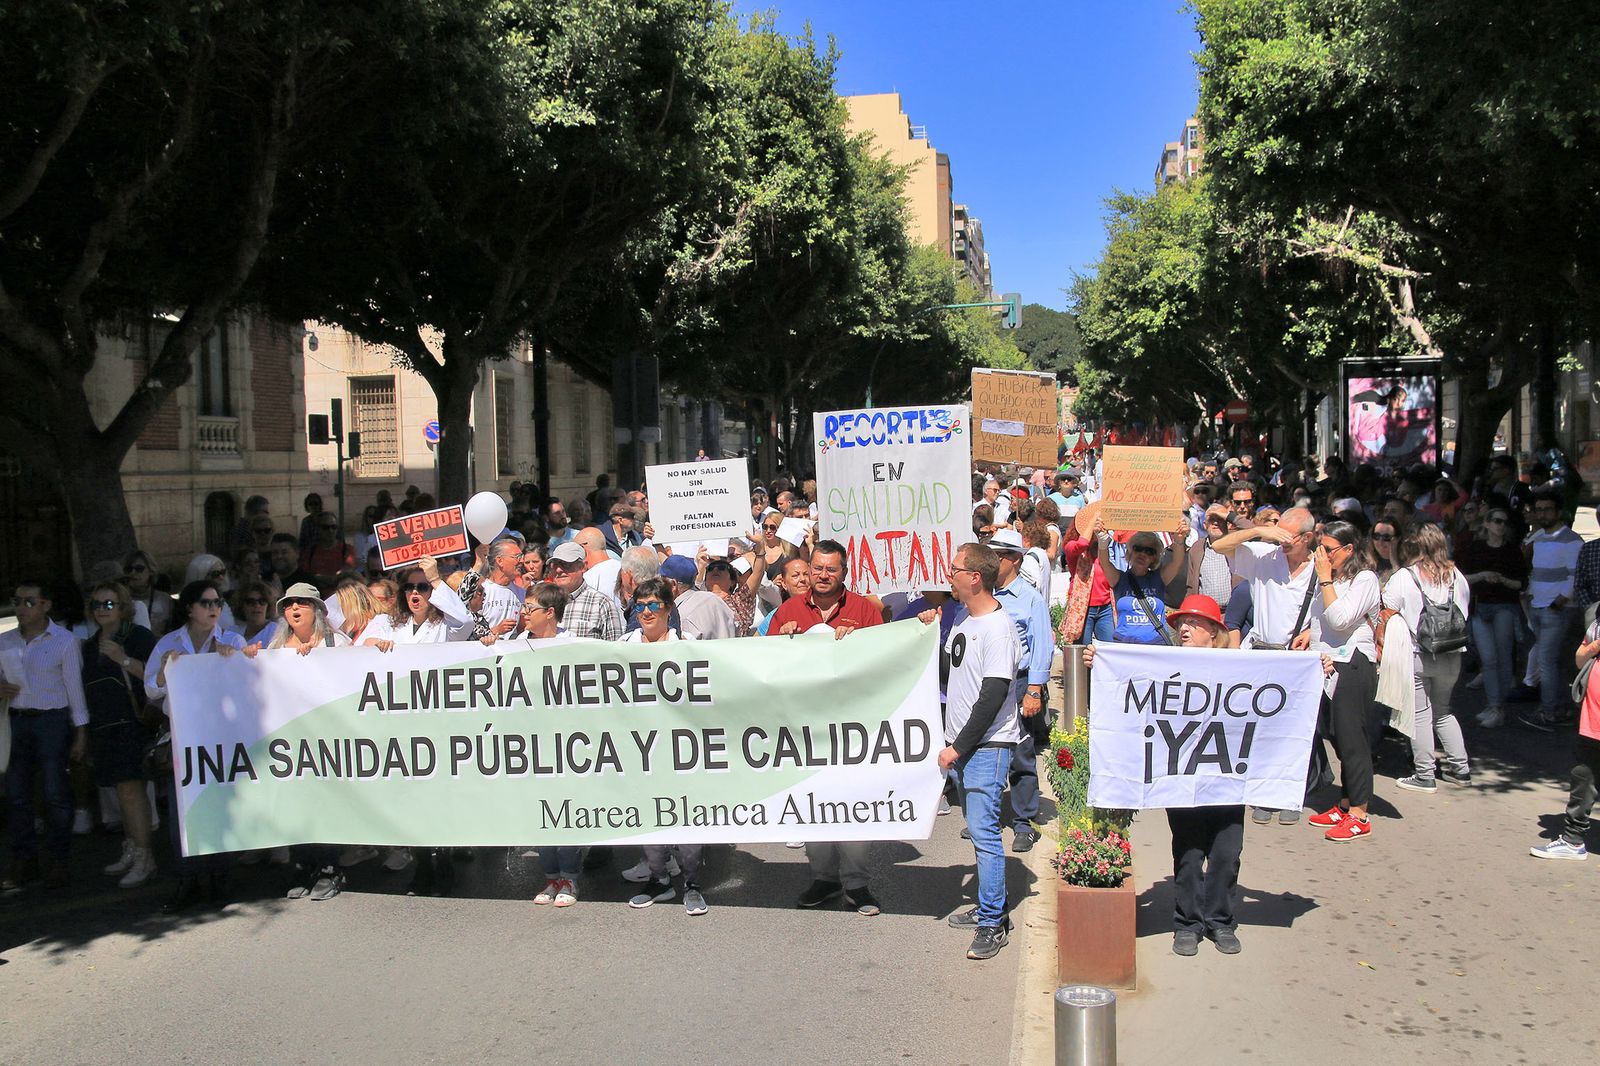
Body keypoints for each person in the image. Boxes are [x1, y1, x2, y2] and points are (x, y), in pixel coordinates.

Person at [1081, 595, 1280, 954]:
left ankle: (1220, 921)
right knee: (1188, 853)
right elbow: (1132, 677)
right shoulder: (1167, 664)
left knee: (1225, 853)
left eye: (1194, 623)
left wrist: (1320, 664)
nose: (1184, 628)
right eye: (1180, 623)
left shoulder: (1240, 668)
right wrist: (1100, 661)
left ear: (1215, 632)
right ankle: (1186, 923)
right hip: (1183, 778)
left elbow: (1282, 677)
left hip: (1227, 780)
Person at [767, 540, 885, 915]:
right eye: (817, 568)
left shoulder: (864, 610)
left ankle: (857, 884)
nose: (821, 575)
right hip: (805, 731)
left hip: (852, 729)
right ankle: (824, 878)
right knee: (812, 805)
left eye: (830, 569)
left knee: (853, 806)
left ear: (844, 572)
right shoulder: (787, 610)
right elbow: (763, 666)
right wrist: (781, 641)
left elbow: (887, 661)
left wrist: (860, 646)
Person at [933, 542, 1022, 960]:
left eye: (954, 570)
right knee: (979, 829)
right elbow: (948, 674)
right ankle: (989, 906)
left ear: (975, 577)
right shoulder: (964, 619)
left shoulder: (998, 629)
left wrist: (959, 747)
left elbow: (993, 694)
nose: (948, 575)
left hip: (986, 745)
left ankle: (993, 921)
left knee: (985, 834)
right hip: (964, 746)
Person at [1211, 508, 1322, 826]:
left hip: (1297, 659)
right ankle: (1262, 794)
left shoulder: (1319, 566)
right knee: (1260, 729)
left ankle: (1290, 796)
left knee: (1294, 731)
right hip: (1261, 654)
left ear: (1308, 537)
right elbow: (1220, 546)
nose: (1284, 542)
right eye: (1281, 534)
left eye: (1291, 537)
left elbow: (1331, 608)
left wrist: (1313, 630)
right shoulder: (1265, 555)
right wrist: (1259, 533)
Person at [146, 580, 247, 909]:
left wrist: (233, 660)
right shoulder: (168, 643)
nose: (213, 608)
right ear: (189, 608)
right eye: (205, 603)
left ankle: (221, 876)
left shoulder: (231, 640)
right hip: (184, 739)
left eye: (217, 602)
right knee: (183, 811)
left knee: (219, 806)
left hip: (221, 737)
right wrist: (164, 672)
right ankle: (187, 879)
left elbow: (248, 684)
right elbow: (151, 690)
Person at [621, 578, 708, 915]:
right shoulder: (624, 645)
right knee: (649, 822)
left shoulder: (687, 645)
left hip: (681, 751)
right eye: (640, 606)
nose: (646, 612)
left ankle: (691, 883)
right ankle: (659, 880)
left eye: (654, 605)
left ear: (668, 609)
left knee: (687, 825)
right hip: (640, 751)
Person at [0, 579, 90, 890]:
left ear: (44, 605)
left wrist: (80, 733)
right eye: (17, 601)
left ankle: (58, 860)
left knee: (55, 793)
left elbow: (74, 690)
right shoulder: (5, 641)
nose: (21, 608)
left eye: (28, 601)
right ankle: (25, 859)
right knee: (17, 794)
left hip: (51, 721)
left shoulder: (63, 641)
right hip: (16, 720)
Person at [1301, 520, 1383, 841]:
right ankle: (1346, 803)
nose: (1323, 555)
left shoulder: (1365, 579)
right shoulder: (1332, 579)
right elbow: (1320, 619)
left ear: (1349, 550)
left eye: (1329, 550)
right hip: (1327, 664)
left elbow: (1340, 618)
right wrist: (1309, 634)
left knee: (1353, 740)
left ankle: (1360, 813)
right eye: (1320, 548)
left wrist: (1323, 578)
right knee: (1335, 735)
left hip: (1353, 664)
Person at [81, 582, 159, 888]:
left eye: (109, 604)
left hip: (132, 724)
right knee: (119, 792)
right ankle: (132, 847)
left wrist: (122, 658)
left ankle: (145, 856)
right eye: (97, 604)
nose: (102, 609)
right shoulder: (88, 645)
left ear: (123, 606)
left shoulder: (137, 636)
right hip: (103, 727)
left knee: (131, 791)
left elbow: (155, 675)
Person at [1386, 524, 1472, 793]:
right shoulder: (1456, 576)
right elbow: (1465, 611)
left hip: (1419, 653)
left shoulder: (1406, 577)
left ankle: (1425, 773)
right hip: (1452, 653)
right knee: (1444, 711)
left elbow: (1386, 608)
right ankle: (1461, 768)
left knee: (1420, 714)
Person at [985, 530, 1053, 853]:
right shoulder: (983, 595)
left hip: (1019, 682)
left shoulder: (1030, 598)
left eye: (998, 556)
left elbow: (1042, 647)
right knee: (987, 750)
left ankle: (1025, 821)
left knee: (1021, 752)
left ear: (1014, 559)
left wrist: (1035, 690)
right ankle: (989, 817)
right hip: (989, 684)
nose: (992, 561)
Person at [1530, 614, 1600, 860]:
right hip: (1594, 718)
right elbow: (1580, 660)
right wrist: (1595, 646)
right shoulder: (1598, 622)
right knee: (1583, 776)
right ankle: (1572, 841)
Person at [1456, 507, 1527, 726]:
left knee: (1503, 656)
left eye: (1504, 522)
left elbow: (1521, 584)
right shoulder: (1475, 548)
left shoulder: (1512, 550)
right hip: (1480, 607)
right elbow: (1461, 577)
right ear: (1486, 524)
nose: (1501, 526)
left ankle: (1498, 706)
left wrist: (1502, 580)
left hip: (1504, 606)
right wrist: (1483, 575)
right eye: (1496, 521)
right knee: (1488, 659)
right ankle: (1493, 705)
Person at [1520, 494, 1585, 731]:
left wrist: (1560, 601)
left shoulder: (1572, 540)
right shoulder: (1539, 538)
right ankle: (1562, 707)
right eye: (1538, 509)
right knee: (1554, 662)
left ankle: (1548, 712)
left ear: (1558, 512)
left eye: (1547, 509)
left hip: (1556, 609)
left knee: (1546, 661)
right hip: (1538, 606)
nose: (1542, 514)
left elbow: (1574, 574)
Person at [1096, 518, 1188, 645]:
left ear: (1154, 557)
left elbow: (1177, 562)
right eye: (1138, 548)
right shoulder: (1119, 579)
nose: (1142, 554)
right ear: (1130, 551)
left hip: (1155, 644)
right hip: (1125, 643)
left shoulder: (1159, 578)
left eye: (1149, 551)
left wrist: (1179, 540)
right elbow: (1104, 562)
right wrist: (1102, 540)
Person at [546, 542, 624, 641]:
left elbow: (614, 649)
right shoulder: (544, 600)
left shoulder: (602, 604)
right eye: (555, 565)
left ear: (582, 567)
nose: (558, 570)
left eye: (565, 564)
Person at [659, 554, 736, 640]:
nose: (657, 586)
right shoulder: (713, 599)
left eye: (660, 581)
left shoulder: (680, 617)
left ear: (673, 585)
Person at [121, 550, 173, 636]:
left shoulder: (164, 599)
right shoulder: (120, 599)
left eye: (139, 569)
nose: (133, 573)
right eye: (128, 569)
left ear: (151, 571)